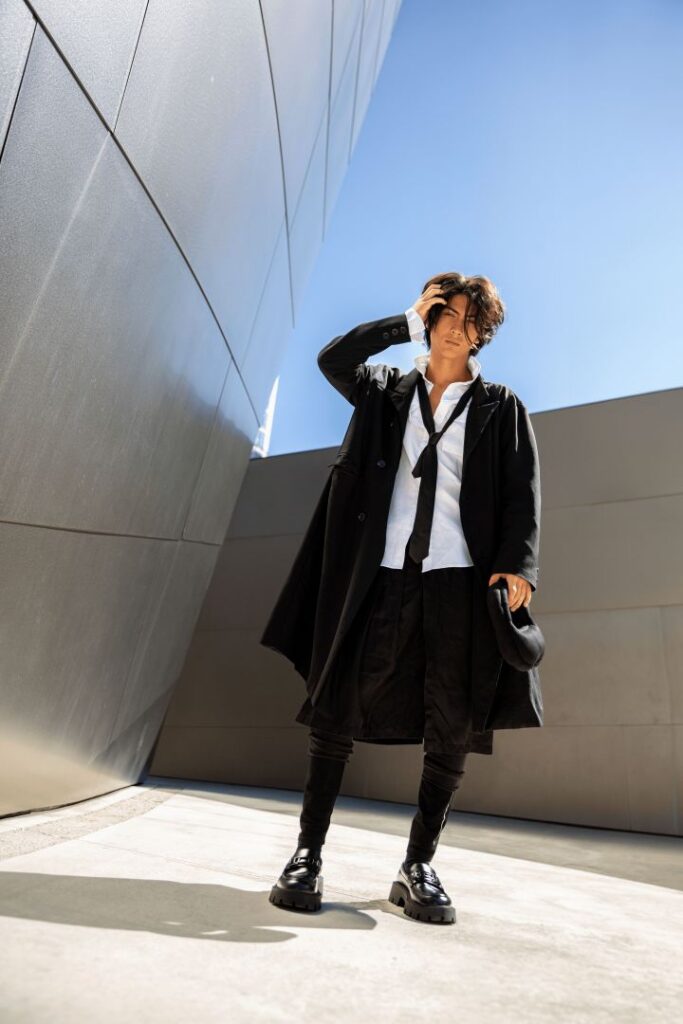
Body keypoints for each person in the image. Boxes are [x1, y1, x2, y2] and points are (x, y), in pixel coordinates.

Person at [265, 272, 541, 925]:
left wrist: (516, 566)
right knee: (335, 711)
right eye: (444, 311)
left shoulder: (501, 407)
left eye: (468, 316)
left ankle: (418, 864)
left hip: (458, 580)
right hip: (375, 575)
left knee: (452, 721)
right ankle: (306, 855)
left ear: (483, 332)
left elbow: (520, 496)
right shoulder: (384, 391)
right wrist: (402, 321)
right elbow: (332, 359)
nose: (454, 323)